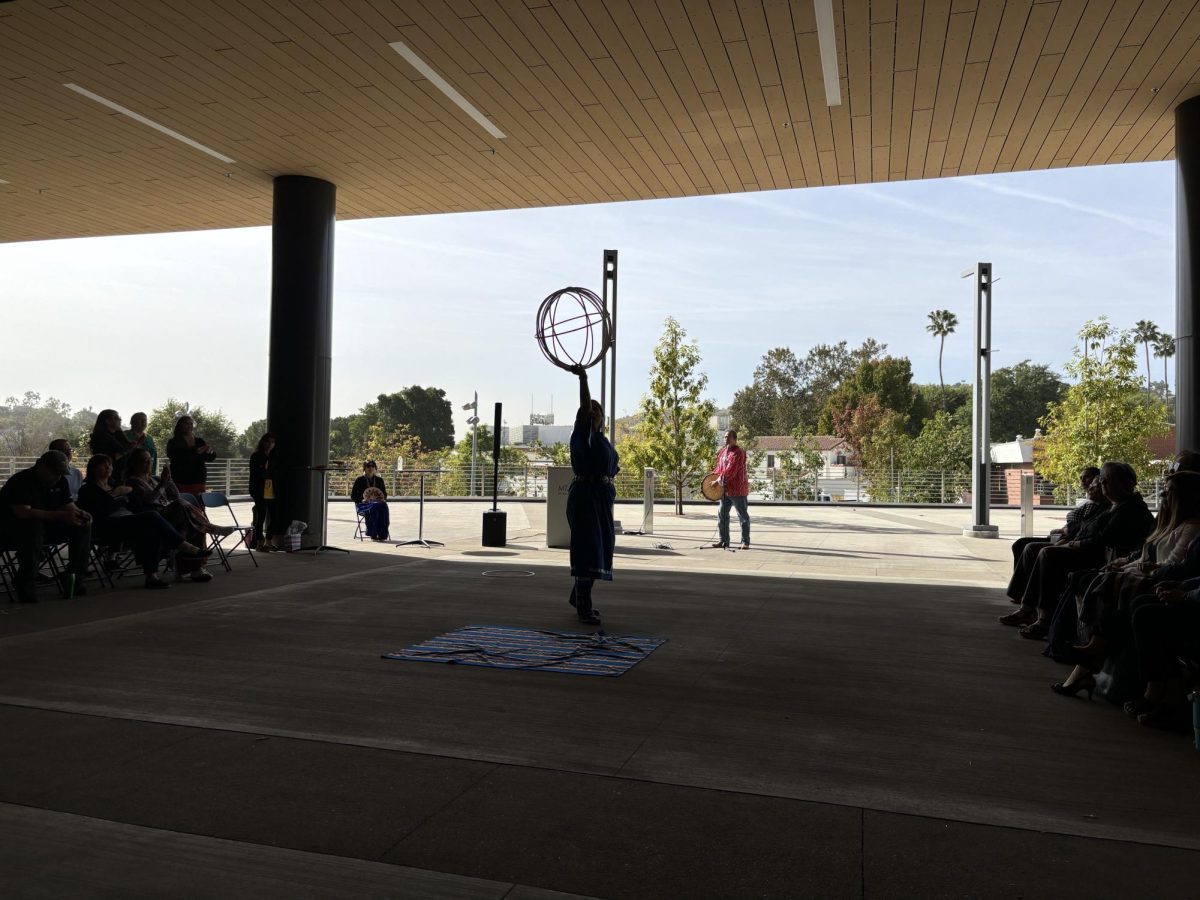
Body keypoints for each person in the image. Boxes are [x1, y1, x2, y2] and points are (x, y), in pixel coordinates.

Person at [1000, 461, 1154, 635]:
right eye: (1102, 480)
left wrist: (1075, 543)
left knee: (1048, 554)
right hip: (1091, 550)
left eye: (1107, 481)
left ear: (1126, 483)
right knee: (1034, 548)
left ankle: (1043, 618)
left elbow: (1102, 539)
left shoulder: (1129, 509)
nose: (1102, 485)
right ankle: (1029, 607)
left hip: (1104, 558)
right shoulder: (1114, 505)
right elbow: (1087, 527)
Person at [77, 455, 207, 590]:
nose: (108, 468)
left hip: (129, 521)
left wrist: (165, 481)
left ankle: (152, 577)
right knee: (152, 517)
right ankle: (183, 546)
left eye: (109, 465)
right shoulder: (88, 489)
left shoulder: (117, 485)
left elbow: (137, 506)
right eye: (103, 465)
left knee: (152, 528)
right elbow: (97, 513)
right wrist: (115, 495)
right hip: (107, 525)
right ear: (93, 469)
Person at [565, 364, 619, 625]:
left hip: (600, 499)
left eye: (599, 409)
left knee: (601, 550)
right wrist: (584, 378)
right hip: (586, 498)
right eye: (591, 409)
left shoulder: (601, 440)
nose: (595, 411)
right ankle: (583, 605)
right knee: (588, 550)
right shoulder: (583, 436)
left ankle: (579, 595)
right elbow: (585, 405)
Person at [0, 451, 92, 603]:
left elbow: (68, 505)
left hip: (47, 526)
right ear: (41, 467)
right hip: (14, 529)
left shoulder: (60, 481)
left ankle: (75, 574)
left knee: (82, 525)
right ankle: (26, 578)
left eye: (60, 473)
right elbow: (23, 513)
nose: (57, 477)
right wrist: (62, 515)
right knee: (32, 526)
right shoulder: (21, 481)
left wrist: (80, 514)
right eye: (54, 472)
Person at [710, 430, 750, 550]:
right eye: (724, 437)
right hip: (725, 490)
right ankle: (723, 541)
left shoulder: (739, 453)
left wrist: (717, 481)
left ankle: (745, 542)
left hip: (738, 490)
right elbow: (719, 468)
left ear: (734, 438)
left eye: (728, 437)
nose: (725, 439)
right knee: (722, 515)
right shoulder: (723, 452)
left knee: (742, 516)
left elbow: (730, 470)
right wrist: (711, 478)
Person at [166, 415, 216, 495]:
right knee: (183, 505)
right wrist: (195, 452)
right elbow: (177, 459)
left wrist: (210, 451)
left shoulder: (199, 441)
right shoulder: (173, 442)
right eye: (186, 423)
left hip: (199, 480)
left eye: (191, 424)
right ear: (180, 425)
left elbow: (210, 458)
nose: (189, 426)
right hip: (181, 481)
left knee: (198, 506)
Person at [248, 433, 281, 551]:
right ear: (262, 442)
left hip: (272, 490)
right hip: (259, 490)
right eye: (268, 441)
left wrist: (268, 470)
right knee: (260, 517)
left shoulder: (274, 456)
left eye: (273, 442)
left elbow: (275, 473)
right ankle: (259, 543)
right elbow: (258, 474)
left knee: (275, 516)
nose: (270, 444)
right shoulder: (256, 456)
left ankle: (268, 541)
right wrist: (266, 470)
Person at [89, 409, 133, 482]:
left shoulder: (117, 435)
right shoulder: (101, 437)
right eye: (116, 418)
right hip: (108, 476)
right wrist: (127, 450)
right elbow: (108, 458)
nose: (120, 419)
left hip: (120, 475)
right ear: (107, 421)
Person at [351, 460, 390, 541]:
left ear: (375, 468)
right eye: (368, 466)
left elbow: (384, 494)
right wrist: (361, 500)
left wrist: (383, 499)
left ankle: (382, 534)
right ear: (364, 468)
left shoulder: (379, 480)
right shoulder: (359, 480)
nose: (371, 468)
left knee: (384, 506)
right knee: (374, 507)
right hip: (364, 505)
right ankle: (373, 533)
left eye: (373, 466)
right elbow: (353, 496)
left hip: (378, 504)